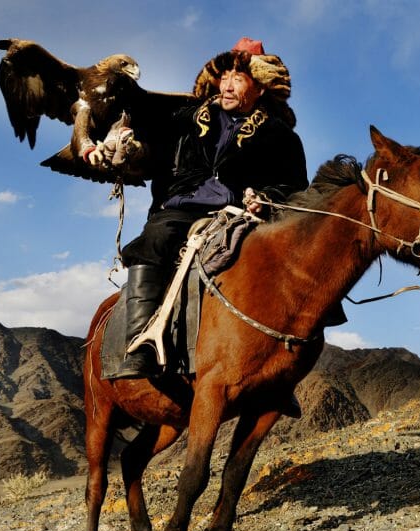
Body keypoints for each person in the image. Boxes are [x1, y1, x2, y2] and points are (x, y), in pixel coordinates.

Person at [111, 37, 308, 379]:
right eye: (225, 77)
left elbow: (296, 188)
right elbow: (140, 124)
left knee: (291, 257)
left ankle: (284, 367)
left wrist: (266, 198)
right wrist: (119, 138)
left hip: (244, 214)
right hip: (183, 207)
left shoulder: (281, 136)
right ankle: (140, 342)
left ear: (260, 88)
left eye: (239, 79)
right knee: (156, 236)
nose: (228, 86)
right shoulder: (187, 117)